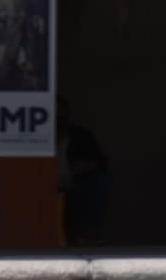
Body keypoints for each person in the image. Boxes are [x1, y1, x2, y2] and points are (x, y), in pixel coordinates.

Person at [55, 95, 109, 245]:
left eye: (61, 110)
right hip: (43, 181)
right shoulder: (37, 136)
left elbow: (100, 161)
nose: (58, 115)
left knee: (96, 181)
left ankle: (89, 233)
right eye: (54, 110)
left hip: (75, 183)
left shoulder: (80, 135)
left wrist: (84, 165)